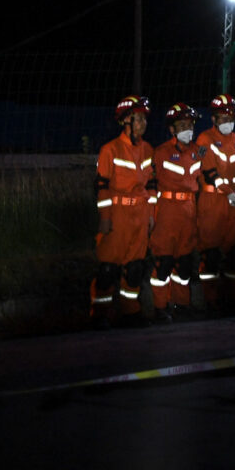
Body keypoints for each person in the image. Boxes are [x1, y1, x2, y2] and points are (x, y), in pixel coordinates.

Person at [92, 95, 156, 327]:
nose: (143, 123)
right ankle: (100, 314)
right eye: (137, 119)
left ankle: (131, 312)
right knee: (108, 268)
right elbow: (102, 186)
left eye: (144, 119)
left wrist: (150, 215)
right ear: (124, 122)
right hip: (117, 215)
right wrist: (105, 219)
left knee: (135, 268)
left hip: (139, 215)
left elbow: (150, 186)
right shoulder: (110, 150)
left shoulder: (148, 150)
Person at [146, 102, 206, 321]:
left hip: (189, 211)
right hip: (167, 212)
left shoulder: (198, 152)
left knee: (184, 263)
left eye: (190, 124)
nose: (187, 129)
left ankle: (182, 304)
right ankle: (160, 307)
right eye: (182, 125)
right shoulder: (161, 152)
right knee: (164, 262)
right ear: (172, 129)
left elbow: (205, 180)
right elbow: (150, 184)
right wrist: (150, 215)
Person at [197, 93, 235, 314]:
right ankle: (211, 302)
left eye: (231, 116)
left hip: (234, 205)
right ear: (213, 119)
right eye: (222, 117)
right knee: (210, 255)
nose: (227, 121)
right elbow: (209, 172)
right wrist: (230, 191)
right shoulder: (204, 140)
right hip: (212, 203)